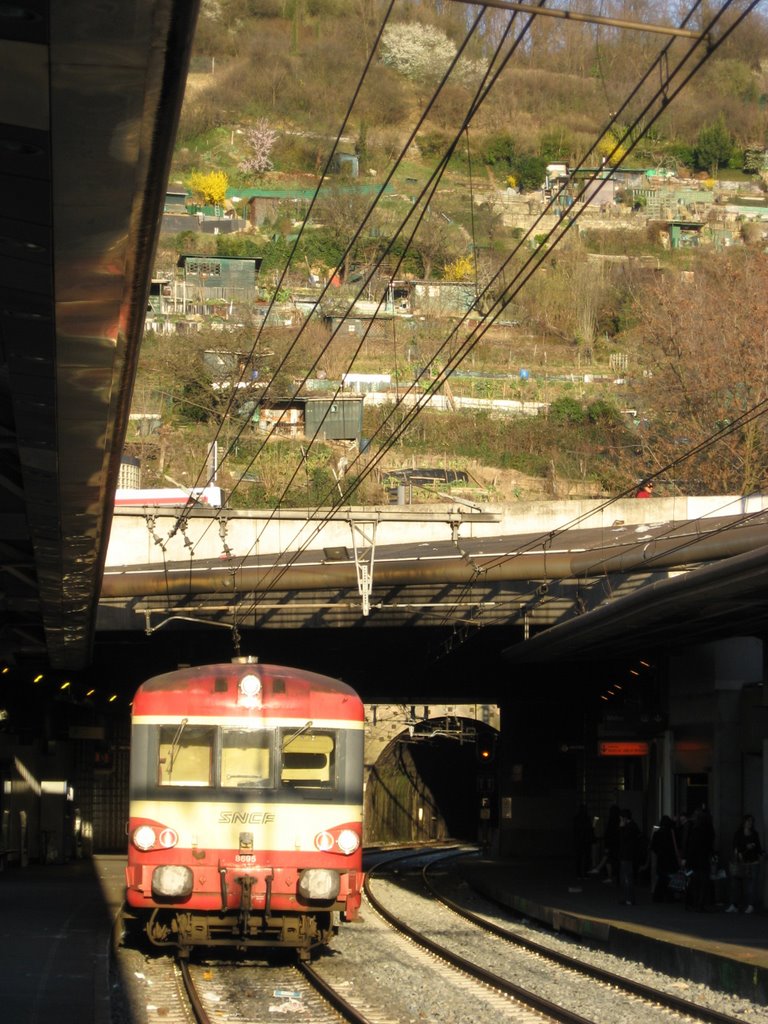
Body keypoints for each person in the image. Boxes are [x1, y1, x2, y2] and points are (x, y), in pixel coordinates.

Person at [726, 814, 763, 913]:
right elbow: (735, 847)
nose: (749, 823)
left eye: (751, 821)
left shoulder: (754, 834)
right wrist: (746, 848)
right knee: (735, 884)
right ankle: (734, 904)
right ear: (744, 822)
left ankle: (750, 905)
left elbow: (758, 847)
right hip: (741, 862)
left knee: (751, 885)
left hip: (752, 861)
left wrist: (761, 852)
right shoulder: (738, 834)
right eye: (748, 821)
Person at [683, 807, 715, 911]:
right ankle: (701, 904)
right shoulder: (709, 830)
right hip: (704, 860)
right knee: (703, 883)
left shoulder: (695, 829)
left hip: (694, 860)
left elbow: (691, 846)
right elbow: (710, 846)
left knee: (694, 882)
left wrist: (686, 858)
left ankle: (693, 903)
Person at [650, 815, 681, 902]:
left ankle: (658, 896)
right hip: (671, 858)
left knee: (662, 878)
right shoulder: (672, 833)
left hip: (661, 858)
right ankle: (669, 896)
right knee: (670, 878)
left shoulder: (657, 833)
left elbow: (653, 847)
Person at [589, 804, 621, 884]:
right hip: (615, 844)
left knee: (608, 859)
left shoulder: (612, 821)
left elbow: (608, 833)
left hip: (611, 844)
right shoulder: (617, 821)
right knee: (609, 860)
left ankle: (599, 869)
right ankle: (608, 875)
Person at [617, 808, 643, 905]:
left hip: (627, 856)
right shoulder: (633, 826)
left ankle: (629, 898)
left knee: (626, 877)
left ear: (624, 818)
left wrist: (621, 828)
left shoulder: (629, 827)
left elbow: (624, 839)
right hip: (628, 855)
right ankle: (627, 898)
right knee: (626, 877)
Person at [573, 804, 594, 878]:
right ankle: (585, 873)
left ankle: (579, 873)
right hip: (586, 841)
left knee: (579, 858)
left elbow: (574, 831)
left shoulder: (577, 818)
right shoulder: (587, 818)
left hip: (579, 841)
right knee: (586, 858)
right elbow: (590, 829)